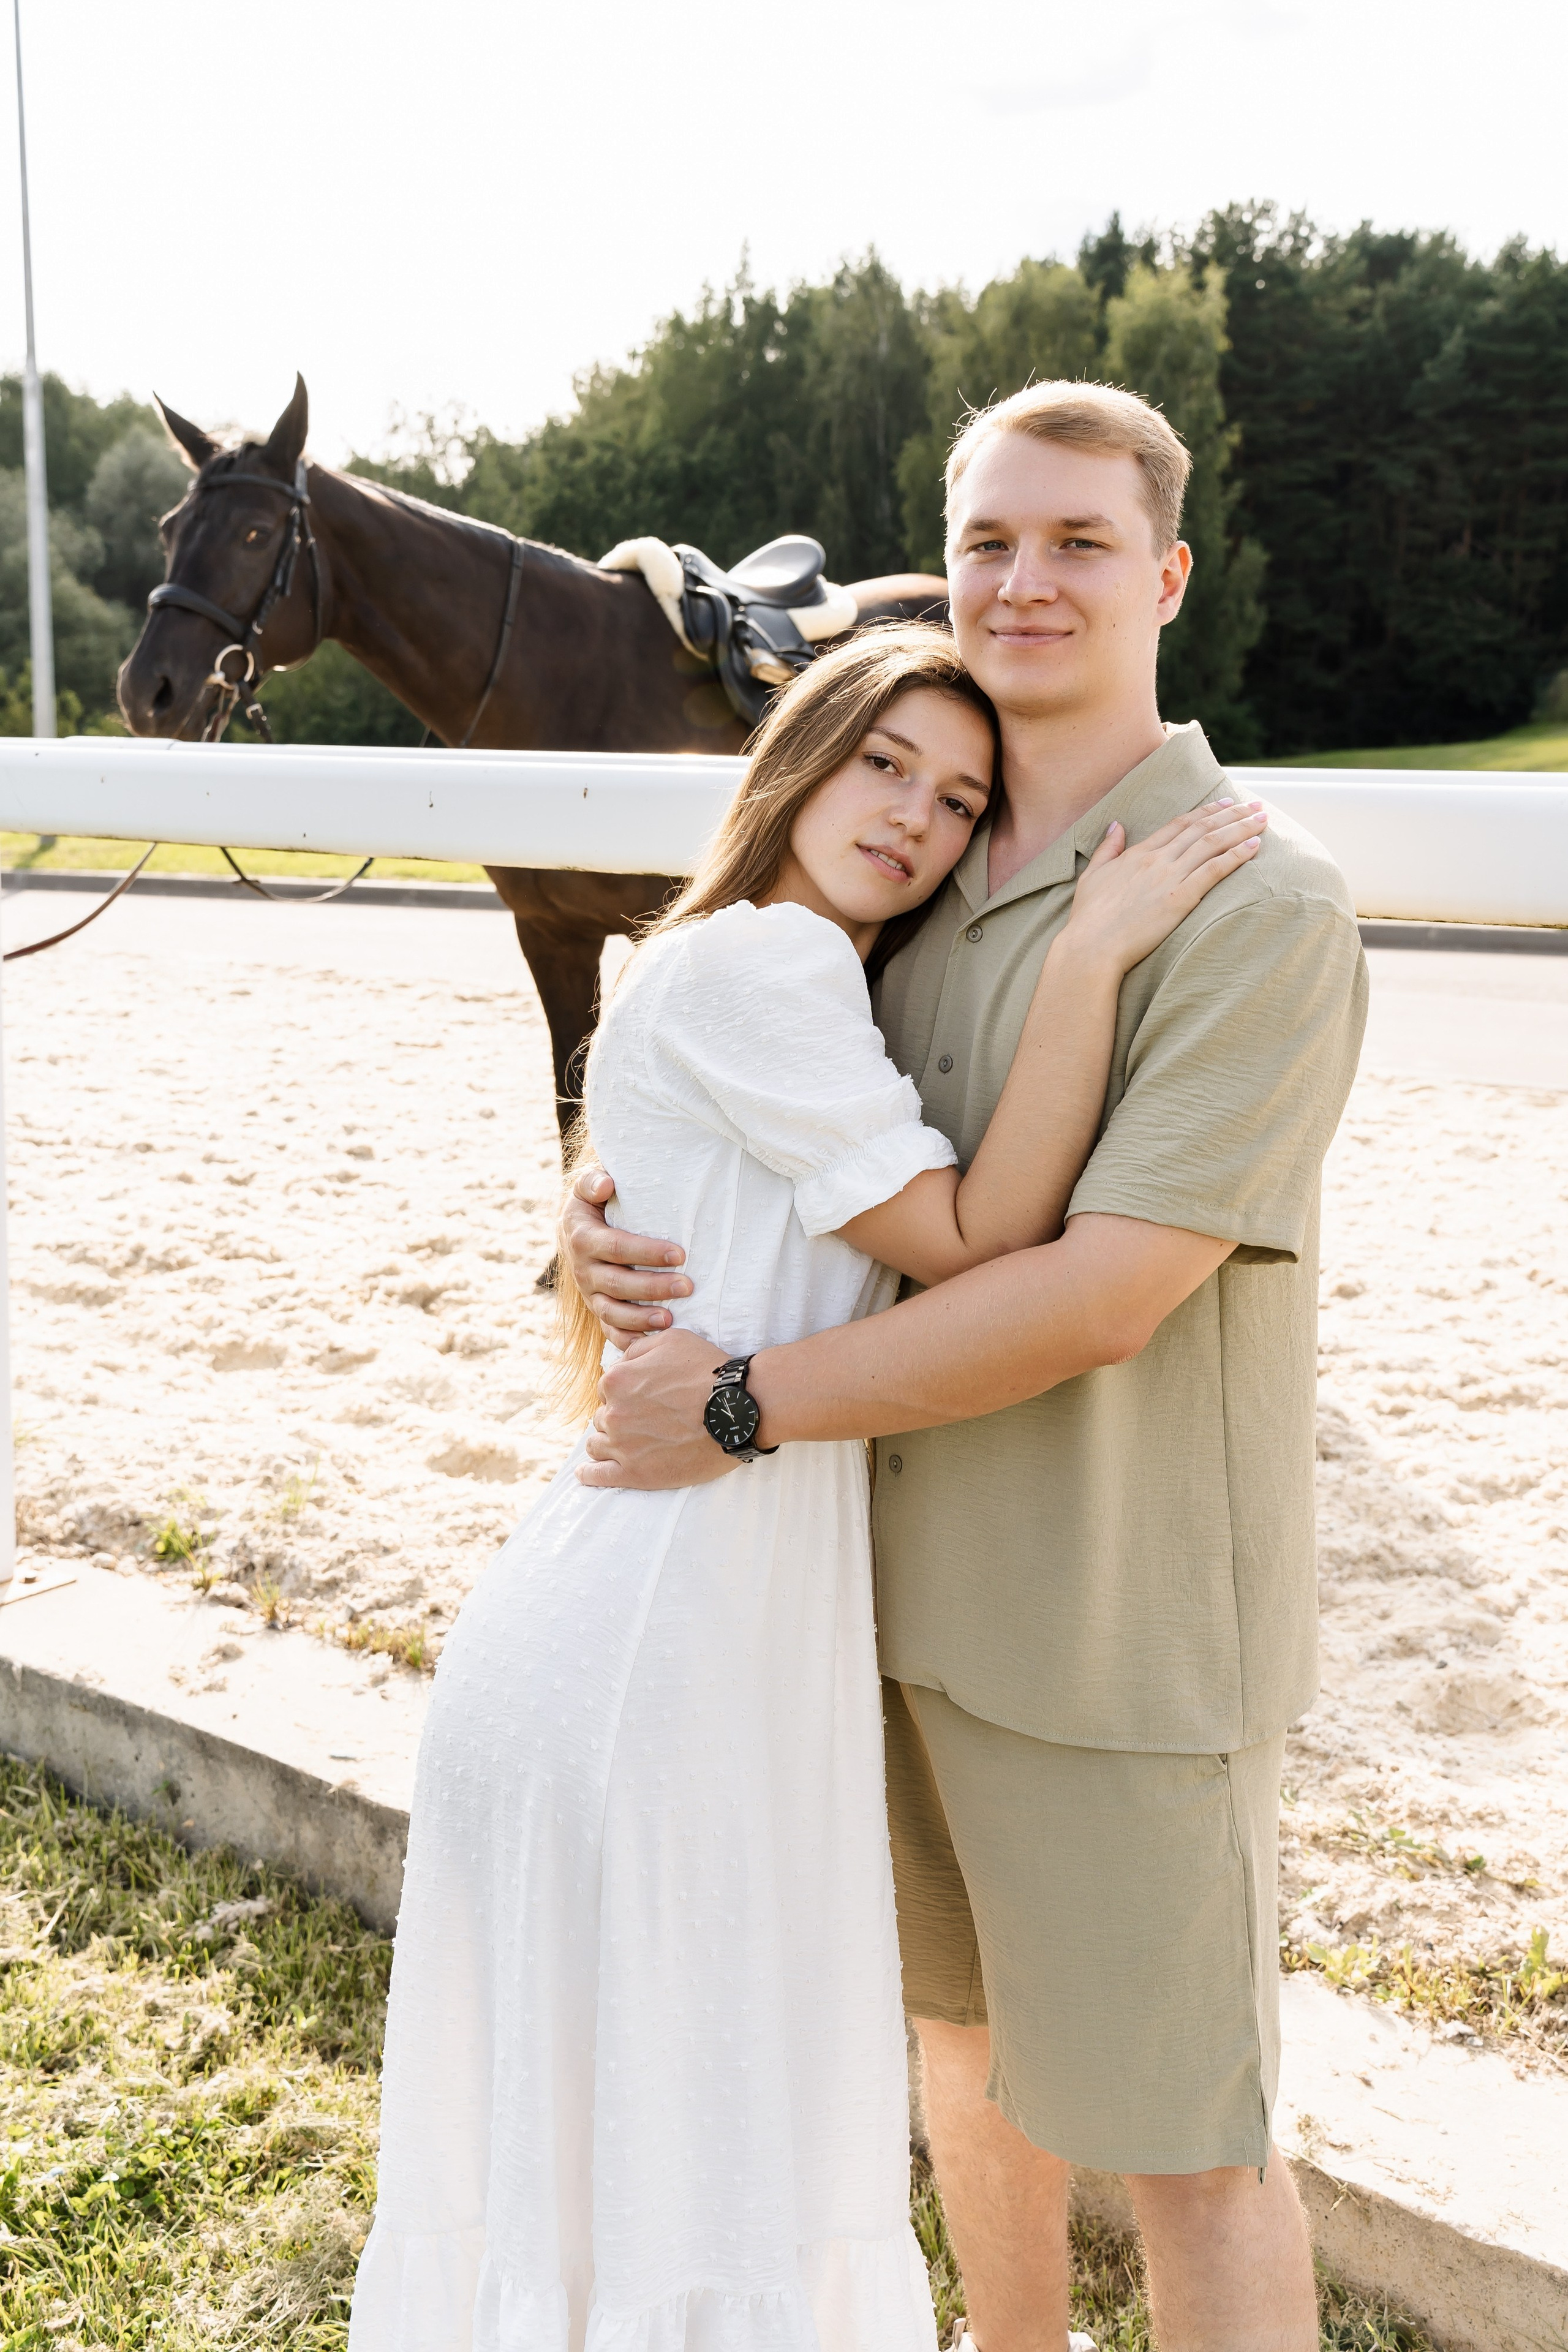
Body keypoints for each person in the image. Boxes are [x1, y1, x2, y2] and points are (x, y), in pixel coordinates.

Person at [349, 617, 1267, 2352]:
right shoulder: (770, 969)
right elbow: (983, 1235)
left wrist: (588, 1222)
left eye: (959, 799)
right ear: (802, 757)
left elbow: (693, 1203)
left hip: (687, 1586)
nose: (916, 817)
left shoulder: (764, 969)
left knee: (641, 2149)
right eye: (884, 765)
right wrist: (1089, 961)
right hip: (658, 1627)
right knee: (692, 2137)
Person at [562, 383, 1370, 2352]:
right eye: (991, 539)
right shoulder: (911, 870)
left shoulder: (1255, 904)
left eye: (1080, 542)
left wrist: (740, 1405)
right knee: (966, 2064)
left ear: (1166, 576)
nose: (1026, 583)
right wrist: (606, 1190)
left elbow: (1101, 1293)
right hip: (881, 1602)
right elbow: (752, 1078)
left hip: (1117, 1640)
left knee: (1193, 2145)